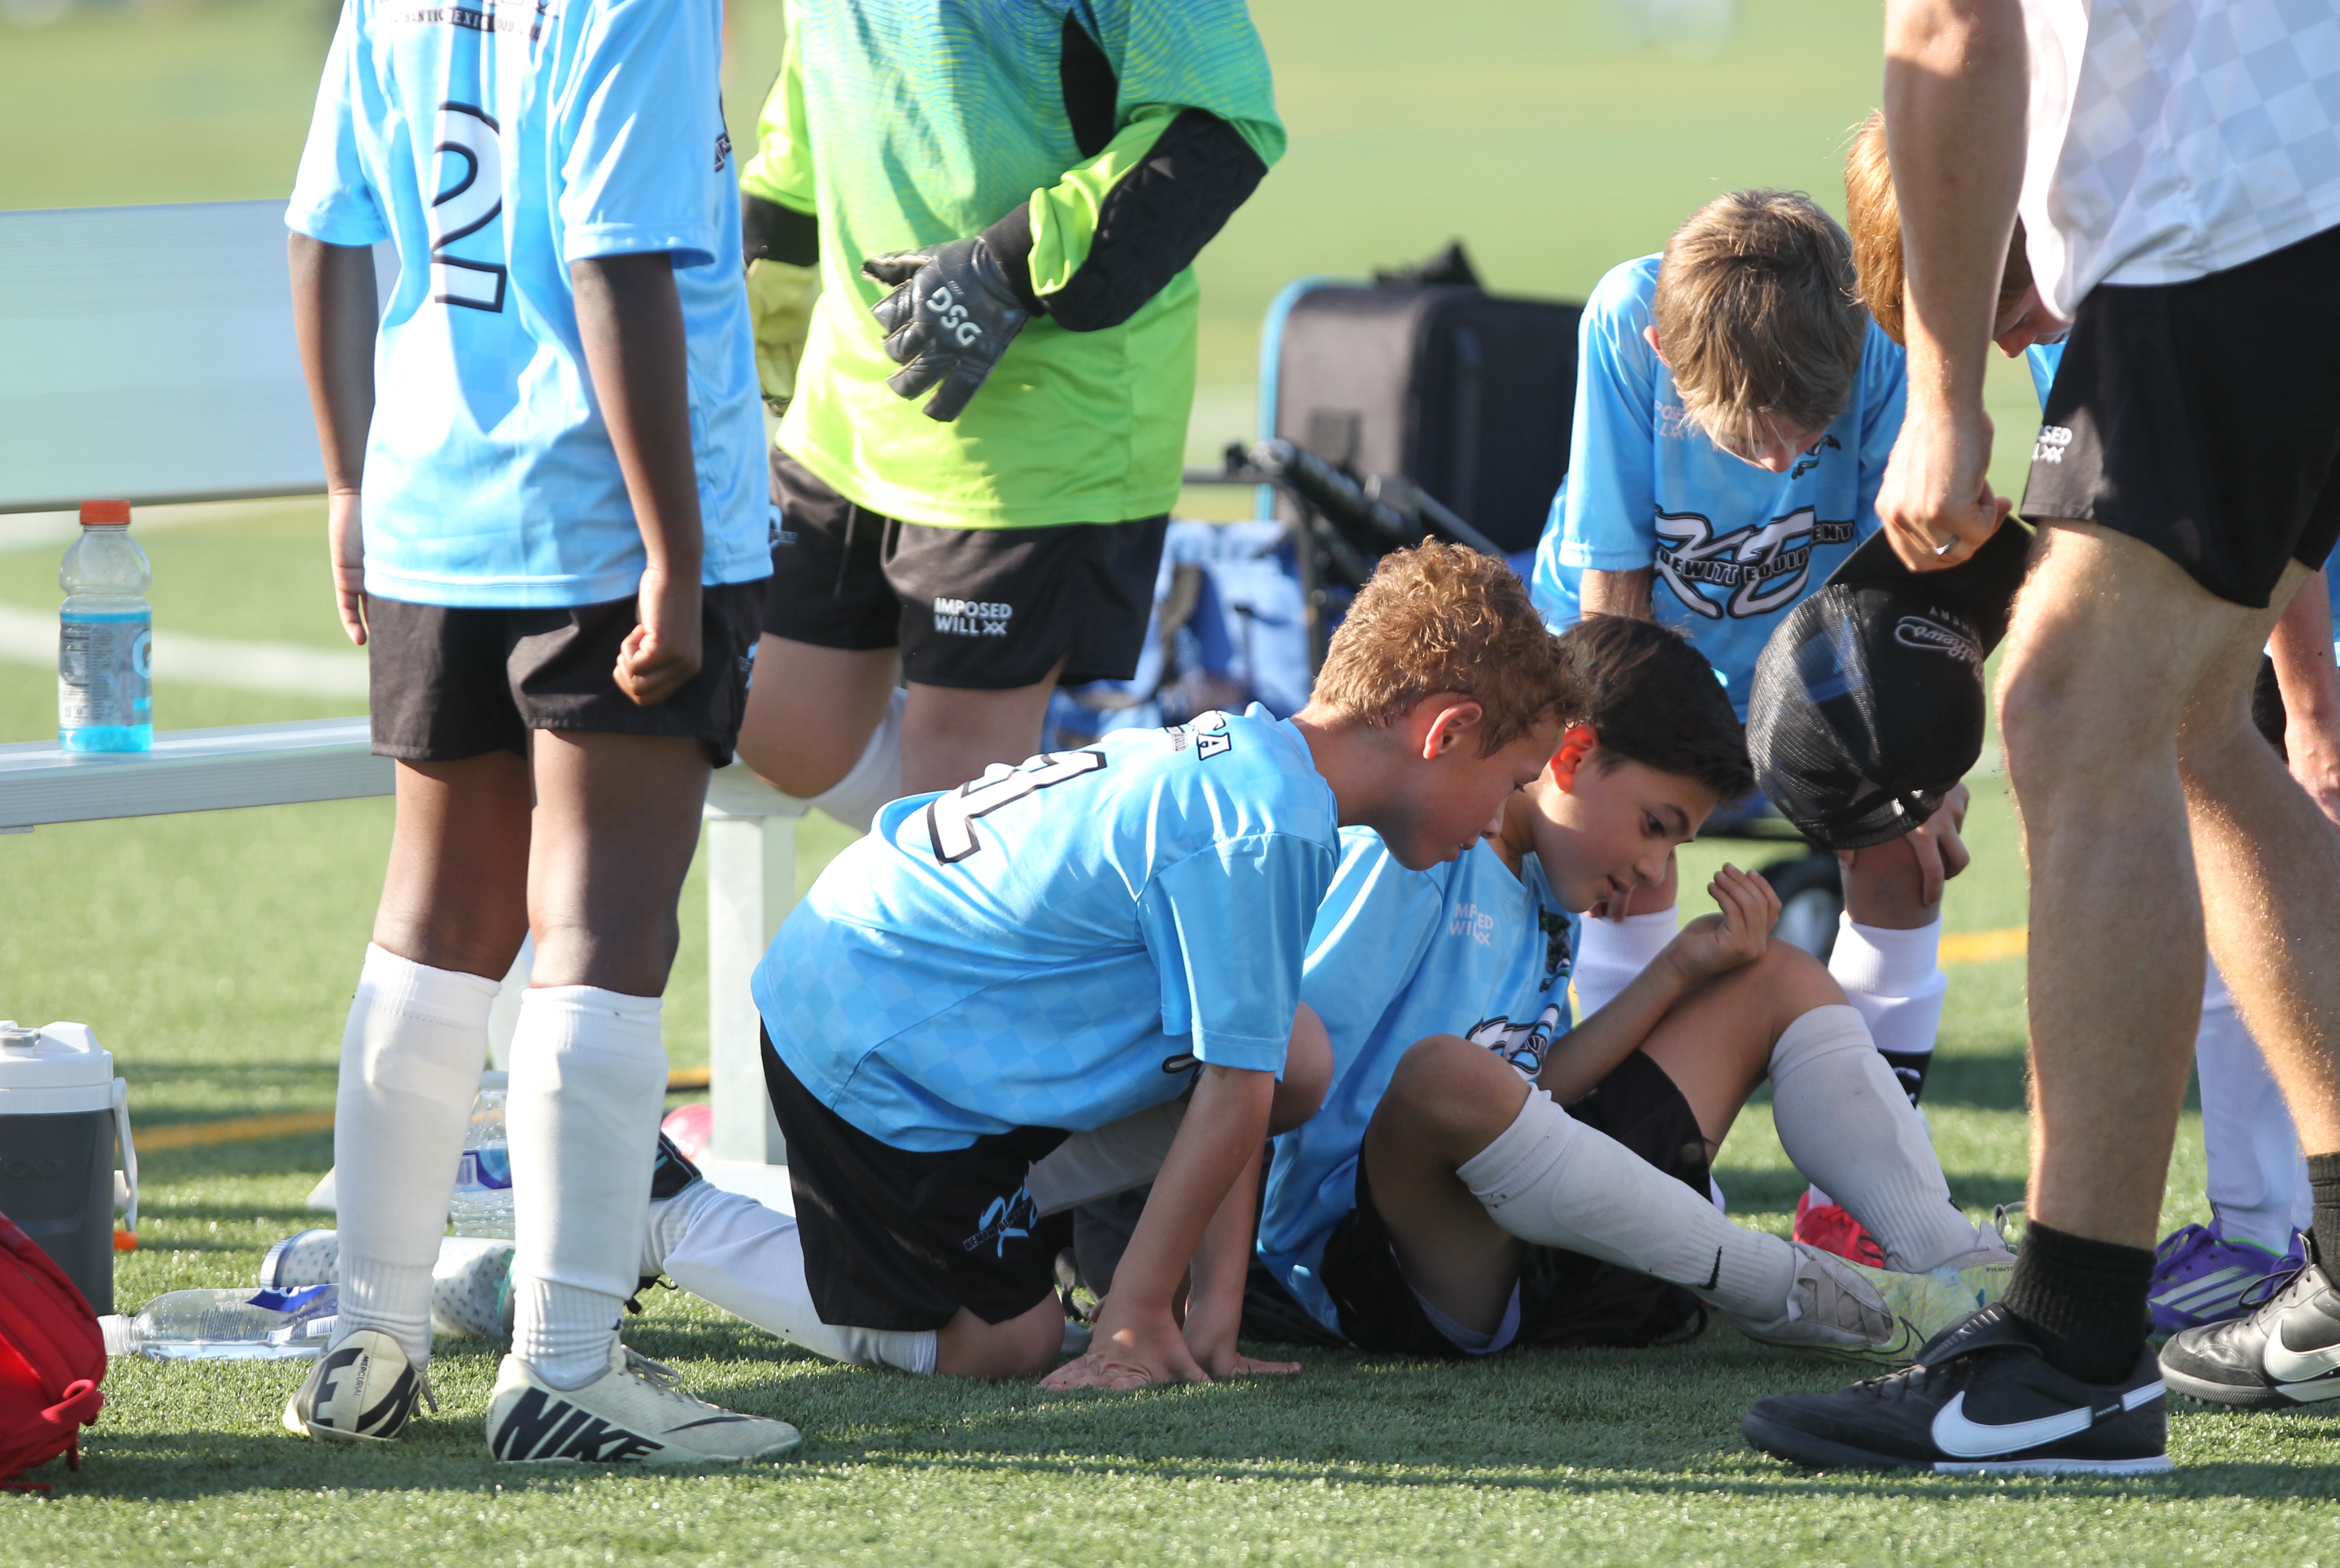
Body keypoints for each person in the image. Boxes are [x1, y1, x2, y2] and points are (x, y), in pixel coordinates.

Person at [1744, 0, 2340, 1472]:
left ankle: (2071, 1352)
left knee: (2070, 712)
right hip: (2303, 180)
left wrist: (1944, 395)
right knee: (2197, 725)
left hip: (2237, 202)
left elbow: (1953, 24)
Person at [639, 544, 1579, 1387]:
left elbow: (1249, 1073)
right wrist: (1132, 1317)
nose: (1498, 815)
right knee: (1007, 1346)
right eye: (1510, 781)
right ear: (1446, 732)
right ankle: (669, 1212)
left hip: (899, 1000)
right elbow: (1232, 1091)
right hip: (871, 1050)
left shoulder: (1265, 767)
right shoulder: (1272, 825)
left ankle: (982, 1229)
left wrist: (1214, 1319)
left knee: (1293, 1055)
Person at [280, 0, 801, 1462]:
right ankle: (568, 1365)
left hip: (431, 506)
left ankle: (367, 1342)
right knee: (605, 926)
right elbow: (613, 256)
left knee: (432, 925)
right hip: (604, 523)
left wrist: (348, 485)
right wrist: (675, 553)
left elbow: (320, 229)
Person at [1852, 103, 2340, 1337]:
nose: (2010, 337)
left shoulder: (2123, 246)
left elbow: (1955, 28)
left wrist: (2313, 712)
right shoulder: (2084, 279)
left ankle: (2086, 1325)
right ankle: (2297, 1246)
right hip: (2296, 229)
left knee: (2094, 719)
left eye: (2000, 307)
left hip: (2248, 268)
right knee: (2178, 738)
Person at [1242, 615, 2010, 1364]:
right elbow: (1274, 1078)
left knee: (1779, 975)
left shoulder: (1550, 888)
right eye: (1654, 825)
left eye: (1675, 843)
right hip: (1372, 1269)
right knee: (1445, 1073)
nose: (1653, 868)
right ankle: (1792, 1290)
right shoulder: (1415, 851)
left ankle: (1958, 1262)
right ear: (1573, 756)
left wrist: (1676, 972)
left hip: (1533, 1234)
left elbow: (1530, 1090)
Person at [1524, 189, 1968, 1258]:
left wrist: (1923, 768)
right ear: (1666, 356)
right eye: (1752, 430)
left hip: (1814, 654)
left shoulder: (1879, 333)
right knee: (1630, 862)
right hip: (1635, 648)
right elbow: (1615, 594)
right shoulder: (1625, 321)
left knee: (1905, 854)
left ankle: (1860, 1200)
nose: (1780, 463)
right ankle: (1642, 1166)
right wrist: (1620, 778)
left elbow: (1908, 579)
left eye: (1806, 430)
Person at [731, 0, 1286, 828]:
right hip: (848, 402)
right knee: (777, 725)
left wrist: (1010, 266)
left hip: (1040, 432)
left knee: (956, 786)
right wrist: (766, 275)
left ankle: (1040, 838)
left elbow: (1219, 124)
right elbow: (821, 71)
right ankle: (1054, 828)